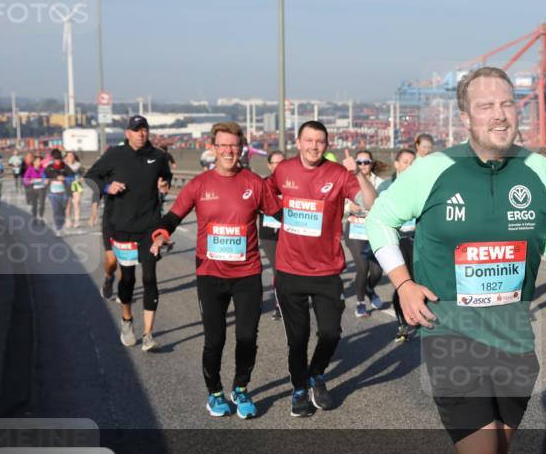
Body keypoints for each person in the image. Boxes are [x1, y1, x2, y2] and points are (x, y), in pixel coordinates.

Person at [365, 67, 546, 454]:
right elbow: (380, 219)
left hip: (513, 336)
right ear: (464, 117)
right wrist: (403, 283)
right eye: (486, 107)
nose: (500, 115)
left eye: (508, 104)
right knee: (479, 453)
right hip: (450, 333)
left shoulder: (538, 169)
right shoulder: (435, 168)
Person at [150, 122, 281, 419]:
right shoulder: (199, 184)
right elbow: (173, 216)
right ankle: (215, 393)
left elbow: (282, 215)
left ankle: (241, 389)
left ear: (242, 148)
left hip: (247, 273)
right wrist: (160, 234)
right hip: (210, 274)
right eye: (223, 145)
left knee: (247, 336)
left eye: (234, 145)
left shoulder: (254, 183)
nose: (229, 151)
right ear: (212, 148)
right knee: (215, 339)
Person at [265, 120, 378, 417]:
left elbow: (371, 202)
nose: (314, 146)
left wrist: (357, 174)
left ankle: (316, 374)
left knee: (330, 332)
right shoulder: (284, 170)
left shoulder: (339, 174)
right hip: (290, 270)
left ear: (326, 146)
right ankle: (299, 389)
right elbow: (264, 195)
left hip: (327, 271)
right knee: (298, 337)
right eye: (309, 140)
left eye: (320, 142)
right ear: (298, 142)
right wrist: (280, 215)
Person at [86, 115, 173, 351]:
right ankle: (126, 319)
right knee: (128, 278)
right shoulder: (115, 154)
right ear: (127, 133)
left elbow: (167, 176)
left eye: (144, 129)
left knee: (149, 277)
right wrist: (107, 187)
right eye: (136, 130)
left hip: (149, 226)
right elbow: (90, 177)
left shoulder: (157, 156)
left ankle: (148, 335)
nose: (141, 134)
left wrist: (165, 183)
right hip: (122, 226)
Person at [376, 148, 417, 342]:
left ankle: (416, 316)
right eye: (406, 162)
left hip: (416, 238)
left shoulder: (420, 185)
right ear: (398, 164)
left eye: (413, 162)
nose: (410, 165)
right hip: (395, 239)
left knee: (417, 279)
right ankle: (402, 321)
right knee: (403, 281)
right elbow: (376, 215)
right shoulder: (386, 186)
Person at [344, 149, 385, 318]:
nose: (362, 165)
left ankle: (368, 287)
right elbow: (338, 201)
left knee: (377, 272)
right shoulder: (348, 180)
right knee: (362, 267)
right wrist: (348, 207)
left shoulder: (380, 182)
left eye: (366, 162)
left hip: (374, 228)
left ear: (371, 163)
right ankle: (360, 302)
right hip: (355, 227)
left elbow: (383, 205)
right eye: (359, 162)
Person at [258, 150, 285, 320]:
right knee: (278, 269)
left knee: (288, 270)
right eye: (275, 163)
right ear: (269, 165)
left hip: (288, 232)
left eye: (282, 163)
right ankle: (279, 303)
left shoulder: (292, 183)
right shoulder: (262, 184)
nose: (278, 166)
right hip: (268, 233)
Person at [45, 149, 74, 231]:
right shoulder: (49, 167)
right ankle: (58, 227)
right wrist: (46, 180)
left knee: (63, 210)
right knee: (56, 209)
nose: (58, 161)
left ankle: (61, 222)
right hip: (53, 193)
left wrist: (64, 179)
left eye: (59, 159)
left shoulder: (65, 167)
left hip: (64, 193)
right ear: (53, 160)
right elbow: (44, 176)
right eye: (56, 160)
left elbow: (72, 177)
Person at [22, 155, 48, 222]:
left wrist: (45, 181)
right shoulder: (30, 169)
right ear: (34, 162)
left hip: (41, 189)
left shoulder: (42, 169)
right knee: (34, 204)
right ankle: (34, 217)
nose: (39, 162)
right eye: (38, 161)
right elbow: (25, 179)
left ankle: (41, 217)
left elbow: (45, 178)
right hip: (33, 189)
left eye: (40, 161)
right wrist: (30, 181)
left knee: (42, 204)